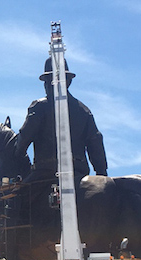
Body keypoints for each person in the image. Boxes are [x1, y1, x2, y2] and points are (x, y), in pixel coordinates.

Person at [15, 57, 108, 187]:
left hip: (45, 173)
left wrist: (17, 154)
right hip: (79, 172)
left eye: (47, 81)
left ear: (48, 82)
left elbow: (24, 138)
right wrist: (101, 174)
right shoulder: (83, 110)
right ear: (68, 81)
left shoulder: (39, 107)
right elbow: (95, 142)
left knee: (17, 201)